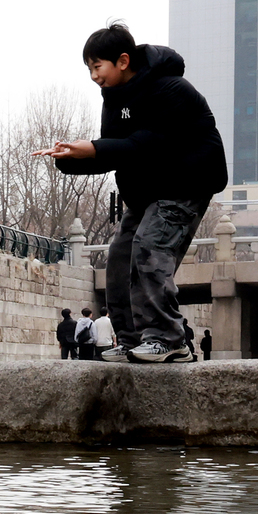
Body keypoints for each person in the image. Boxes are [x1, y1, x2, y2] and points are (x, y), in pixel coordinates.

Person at [34, 22, 226, 364]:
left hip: (185, 185)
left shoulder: (170, 89)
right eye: (89, 69)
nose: (94, 76)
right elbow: (118, 152)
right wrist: (69, 159)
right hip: (145, 192)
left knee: (149, 250)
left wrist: (93, 147)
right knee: (119, 259)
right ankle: (131, 339)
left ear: (123, 61)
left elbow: (147, 145)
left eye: (97, 66)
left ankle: (169, 339)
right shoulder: (114, 98)